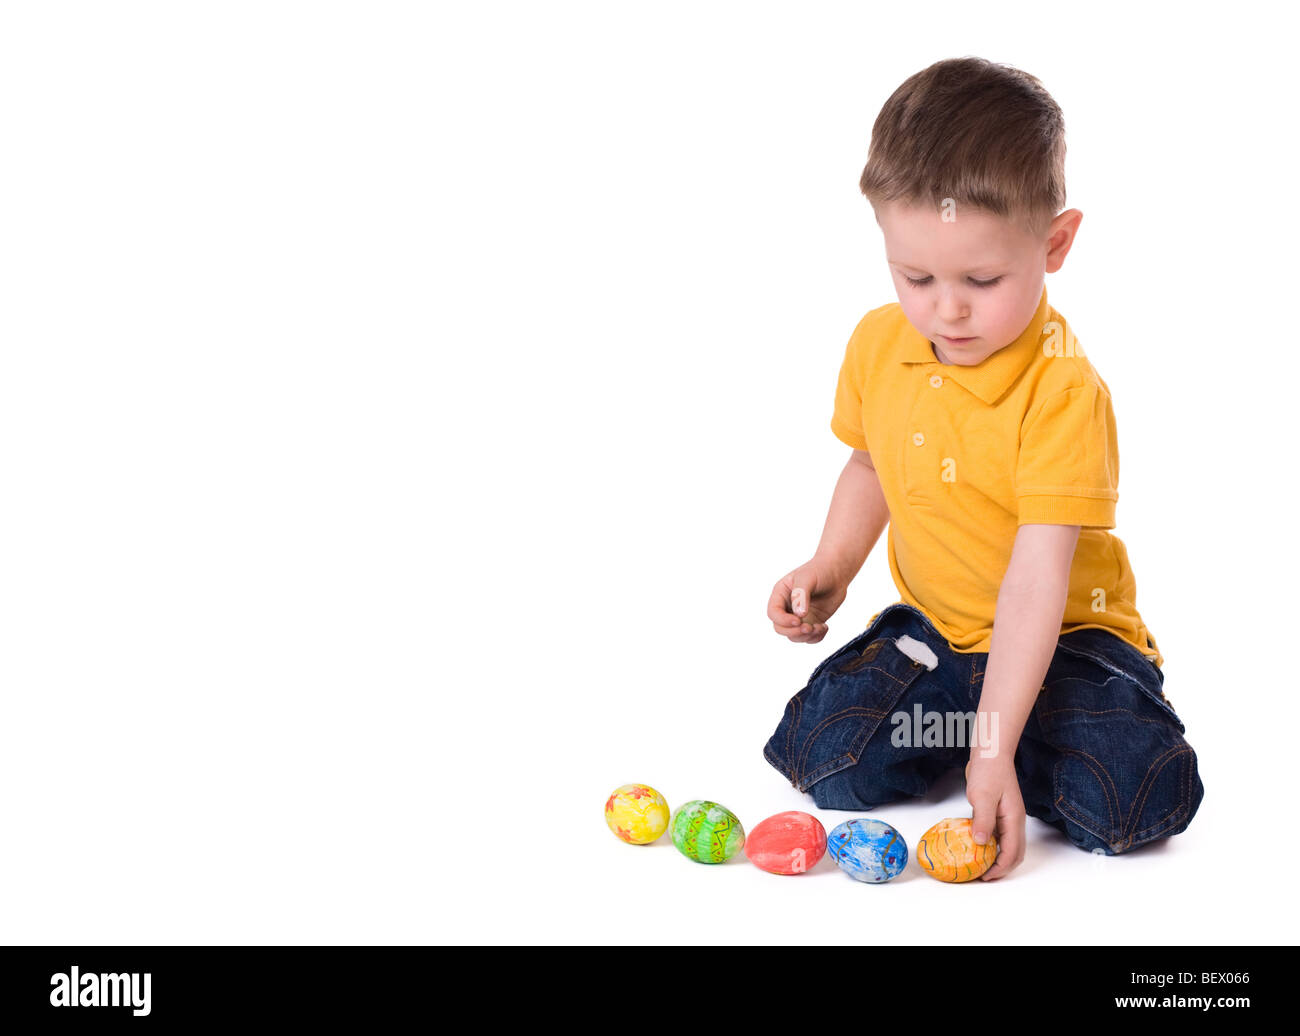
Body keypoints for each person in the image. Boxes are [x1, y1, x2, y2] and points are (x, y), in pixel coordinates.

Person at [762, 57, 1204, 881]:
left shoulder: (1062, 388)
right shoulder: (877, 344)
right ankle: (987, 731)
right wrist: (832, 565)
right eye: (915, 275)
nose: (946, 309)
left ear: (1056, 243)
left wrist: (995, 750)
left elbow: (1036, 579)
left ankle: (1024, 735)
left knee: (1136, 799)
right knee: (822, 756)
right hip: (941, 637)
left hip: (1064, 640)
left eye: (982, 279)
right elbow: (868, 464)